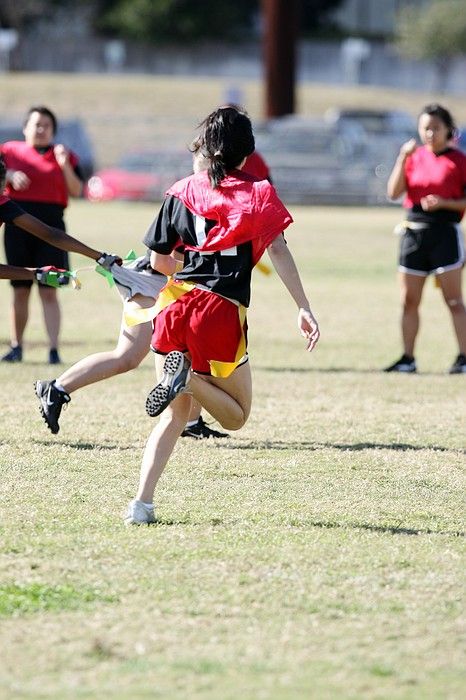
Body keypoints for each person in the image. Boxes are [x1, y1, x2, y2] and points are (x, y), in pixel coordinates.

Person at [124, 105, 320, 525]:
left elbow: (159, 262)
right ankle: (189, 377)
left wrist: (190, 268)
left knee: (177, 415)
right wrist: (302, 305)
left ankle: (140, 504)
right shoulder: (259, 192)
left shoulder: (180, 190)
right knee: (236, 416)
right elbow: (278, 250)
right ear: (246, 154)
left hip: (174, 306)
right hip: (219, 311)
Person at [33, 250, 229, 439]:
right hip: (151, 281)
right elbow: (176, 260)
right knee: (128, 355)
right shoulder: (190, 215)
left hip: (173, 283)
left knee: (190, 350)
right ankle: (56, 389)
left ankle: (191, 423)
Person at [384, 103, 466, 375]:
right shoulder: (414, 156)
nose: (430, 133)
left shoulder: (458, 160)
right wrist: (401, 158)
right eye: (425, 128)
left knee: (454, 301)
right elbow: (393, 193)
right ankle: (408, 358)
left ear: (447, 130)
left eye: (435, 128)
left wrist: (445, 202)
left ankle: (463, 358)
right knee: (409, 300)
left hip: (445, 234)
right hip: (414, 233)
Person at [1, 106, 84, 364]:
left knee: (50, 289)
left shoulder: (63, 155)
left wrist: (63, 166)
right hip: (16, 223)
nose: (40, 129)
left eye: (46, 125)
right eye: (36, 124)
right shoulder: (9, 151)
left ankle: (54, 349)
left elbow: (77, 190)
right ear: (25, 127)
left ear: (53, 131)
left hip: (51, 226)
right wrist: (10, 176)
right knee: (20, 288)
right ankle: (17, 346)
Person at [0, 154, 119, 286]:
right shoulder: (2, 204)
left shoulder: (4, 205)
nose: (4, 192)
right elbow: (51, 235)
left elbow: (50, 234)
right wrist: (100, 257)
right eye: (2, 189)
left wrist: (100, 257)